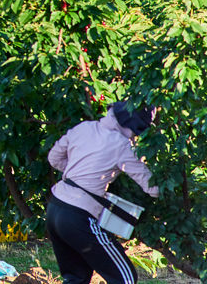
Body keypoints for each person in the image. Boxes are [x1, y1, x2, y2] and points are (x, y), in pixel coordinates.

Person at [46, 101, 161, 284]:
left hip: (54, 208)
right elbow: (152, 187)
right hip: (78, 217)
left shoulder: (84, 127)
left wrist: (78, 175)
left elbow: (54, 158)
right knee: (125, 278)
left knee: (77, 278)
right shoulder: (122, 145)